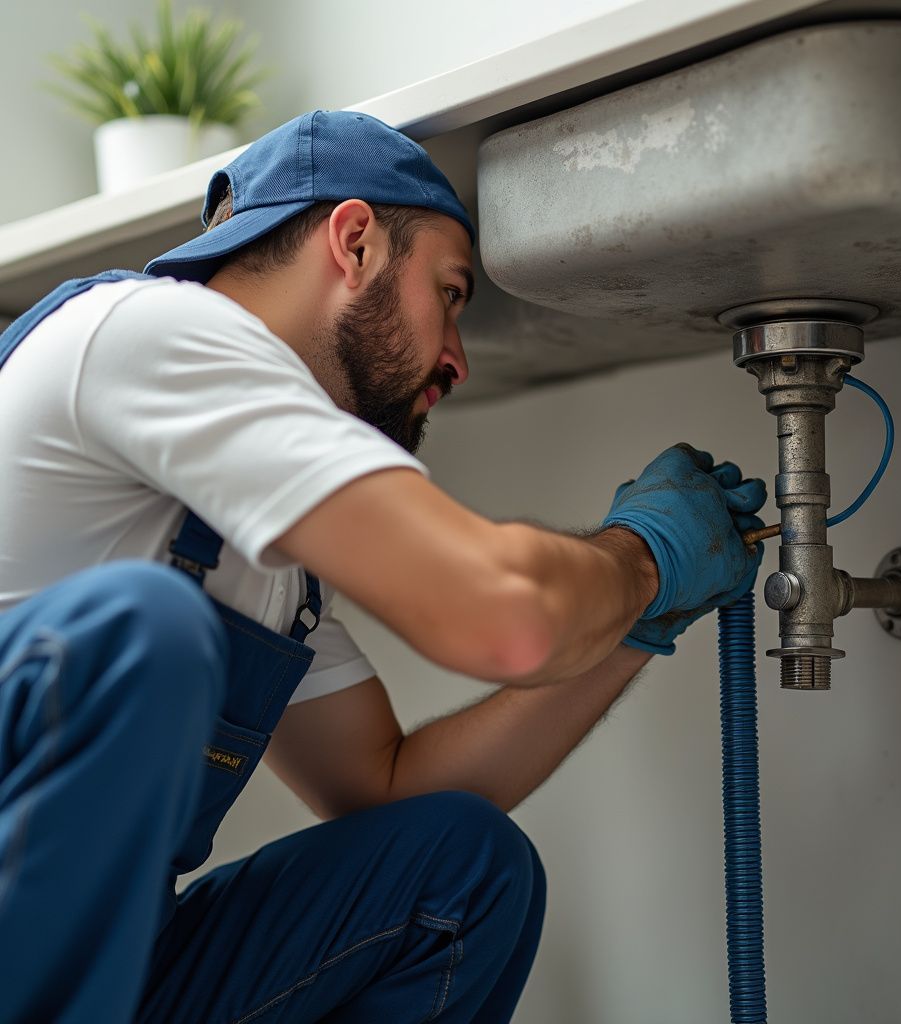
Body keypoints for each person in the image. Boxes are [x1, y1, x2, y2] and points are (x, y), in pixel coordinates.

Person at [0, 109, 766, 1023]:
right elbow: (503, 612)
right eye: (449, 292)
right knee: (142, 628)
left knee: (462, 869)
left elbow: (385, 785)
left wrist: (637, 627)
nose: (457, 359)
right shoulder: (148, 333)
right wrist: (643, 560)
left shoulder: (275, 575)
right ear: (354, 241)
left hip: (107, 961)